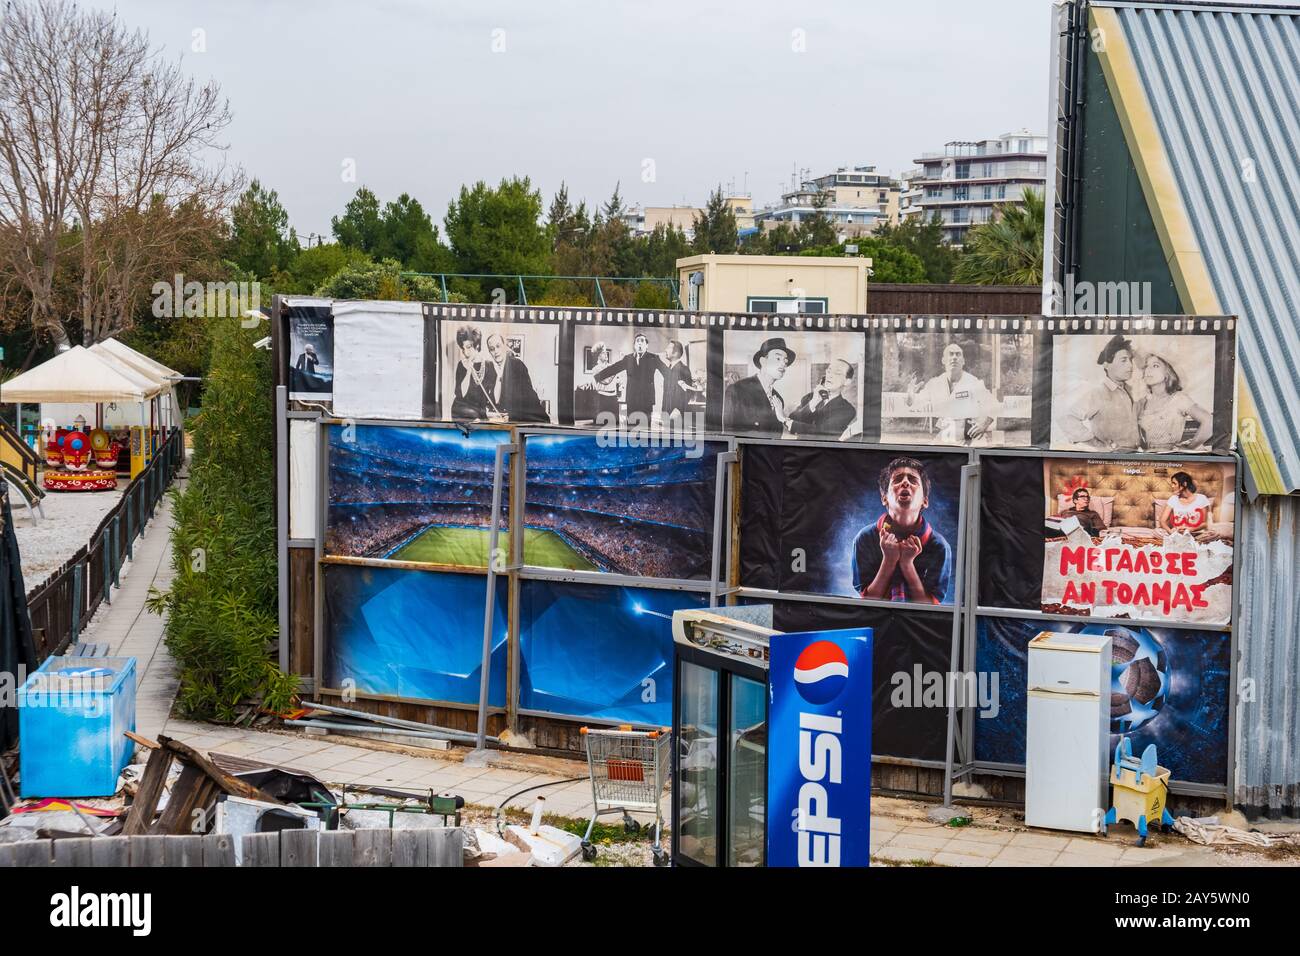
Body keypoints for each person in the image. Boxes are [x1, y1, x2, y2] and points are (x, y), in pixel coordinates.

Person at [851, 458, 952, 604]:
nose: (905, 482)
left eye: (913, 480)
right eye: (897, 479)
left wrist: (907, 564)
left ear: (925, 500)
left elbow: (930, 607)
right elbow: (868, 600)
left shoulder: (939, 546)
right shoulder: (865, 538)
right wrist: (889, 560)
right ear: (884, 498)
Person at [904, 343, 999, 445]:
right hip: (946, 436)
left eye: (958, 354)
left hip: (971, 437)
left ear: (963, 361)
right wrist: (910, 394)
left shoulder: (973, 382)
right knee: (928, 456)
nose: (954, 357)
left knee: (975, 458)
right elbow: (914, 403)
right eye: (951, 354)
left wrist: (983, 425)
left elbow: (994, 405)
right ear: (943, 360)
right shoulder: (935, 383)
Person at [1058, 334, 1140, 451]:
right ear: (1107, 364)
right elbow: (1066, 418)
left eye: (1130, 360)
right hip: (1111, 459)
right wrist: (1097, 444)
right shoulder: (1098, 392)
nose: (1130, 366)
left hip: (1135, 457)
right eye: (1123, 360)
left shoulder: (1130, 391)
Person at [1137, 354, 1212, 451]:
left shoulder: (1179, 399)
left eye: (1155, 366)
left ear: (1167, 373)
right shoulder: (1142, 402)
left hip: (1172, 459)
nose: (1148, 370)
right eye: (1146, 366)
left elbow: (1209, 422)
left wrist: (1190, 448)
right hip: (1148, 459)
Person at [724, 337, 795, 438]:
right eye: (778, 358)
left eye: (786, 361)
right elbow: (729, 434)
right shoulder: (737, 390)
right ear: (763, 361)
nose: (783, 364)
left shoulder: (778, 399)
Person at [593, 333, 666, 426]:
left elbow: (666, 372)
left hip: (647, 399)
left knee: (645, 427)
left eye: (642, 341)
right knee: (631, 427)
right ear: (634, 346)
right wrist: (598, 376)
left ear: (646, 345)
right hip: (632, 399)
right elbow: (615, 368)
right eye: (637, 341)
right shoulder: (628, 358)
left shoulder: (654, 358)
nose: (640, 343)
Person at [788, 358, 857, 440]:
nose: (830, 375)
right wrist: (813, 402)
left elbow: (823, 431)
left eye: (837, 373)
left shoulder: (848, 410)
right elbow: (792, 418)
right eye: (829, 371)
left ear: (847, 382)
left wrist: (793, 425)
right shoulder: (809, 398)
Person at [486, 333, 548, 422]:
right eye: (492, 349)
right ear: (489, 352)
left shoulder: (517, 365)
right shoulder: (491, 370)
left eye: (498, 346)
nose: (495, 351)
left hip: (518, 421)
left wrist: (512, 416)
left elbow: (528, 400)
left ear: (504, 346)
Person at [451, 325, 498, 421]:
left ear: (477, 345)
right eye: (463, 348)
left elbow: (491, 395)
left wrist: (490, 413)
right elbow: (461, 395)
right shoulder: (461, 365)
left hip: (481, 413)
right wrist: (468, 370)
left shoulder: (489, 365)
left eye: (468, 347)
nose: (465, 352)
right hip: (462, 412)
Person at [661, 341, 704, 424]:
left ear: (676, 352)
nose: (665, 350)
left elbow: (688, 392)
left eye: (668, 348)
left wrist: (677, 409)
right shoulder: (669, 369)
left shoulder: (684, 369)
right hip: (667, 415)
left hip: (677, 415)